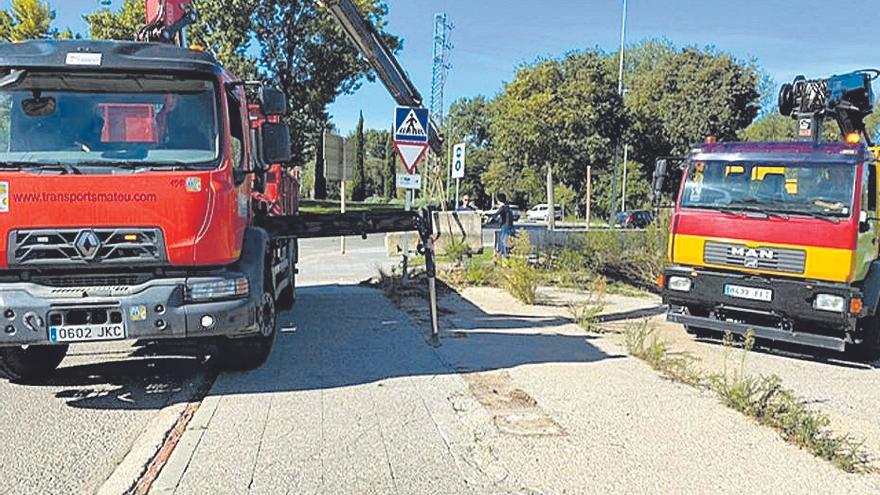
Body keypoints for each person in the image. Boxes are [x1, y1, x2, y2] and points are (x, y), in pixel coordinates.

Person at [490, 193, 515, 257]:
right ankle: (506, 254)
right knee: (508, 242)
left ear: (499, 200)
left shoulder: (503, 207)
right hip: (510, 227)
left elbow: (496, 214)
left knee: (504, 242)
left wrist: (486, 214)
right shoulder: (507, 207)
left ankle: (504, 256)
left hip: (505, 227)